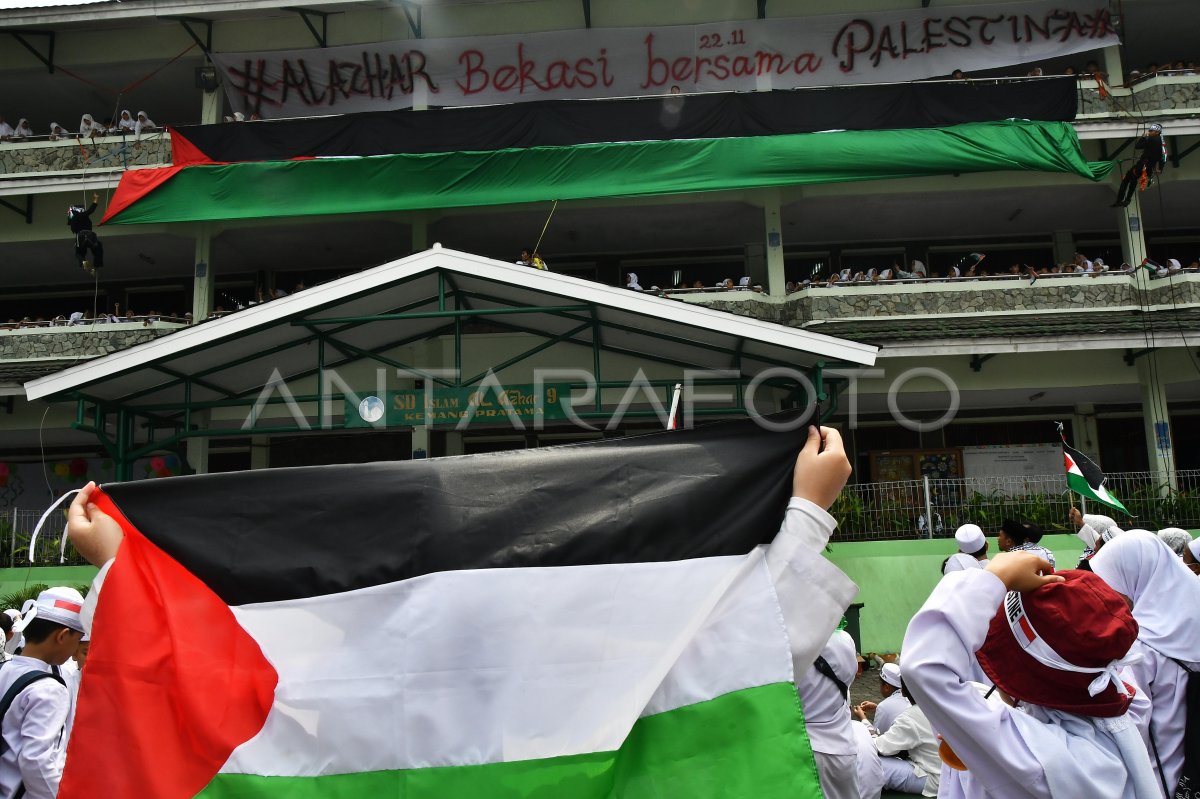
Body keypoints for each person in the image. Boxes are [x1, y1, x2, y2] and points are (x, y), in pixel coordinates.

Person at [903, 551, 1161, 799]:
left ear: (1026, 681)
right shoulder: (1119, 707)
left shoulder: (1045, 758)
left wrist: (995, 577)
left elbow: (924, 667)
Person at [1090, 530, 1200, 796]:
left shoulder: (1142, 646)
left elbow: (1131, 727)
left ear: (1135, 577)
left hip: (1163, 777)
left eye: (1111, 583)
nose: (1108, 595)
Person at [0, 587, 86, 799]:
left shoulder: (4, 669)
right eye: (78, 641)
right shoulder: (49, 689)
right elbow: (37, 762)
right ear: (63, 636)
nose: (75, 651)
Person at [797, 629, 860, 799]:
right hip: (843, 747)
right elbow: (849, 682)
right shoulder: (845, 639)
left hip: (804, 747)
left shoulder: (789, 645)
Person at [861, 681, 940, 796]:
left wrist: (863, 724)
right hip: (952, 773)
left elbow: (881, 747)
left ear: (902, 691)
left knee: (871, 763)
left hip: (933, 779)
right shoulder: (938, 705)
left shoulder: (911, 716)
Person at [1113, 124, 1167, 207]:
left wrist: (1143, 137)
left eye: (1151, 131)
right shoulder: (1162, 142)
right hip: (1149, 169)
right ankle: (1127, 200)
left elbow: (1138, 146)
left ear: (1157, 132)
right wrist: (1160, 169)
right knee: (1133, 179)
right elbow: (1163, 157)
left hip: (1142, 166)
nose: (1149, 132)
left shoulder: (1151, 139)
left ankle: (1120, 200)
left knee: (1126, 179)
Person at [856, 662, 909, 735]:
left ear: (886, 687)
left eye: (880, 684)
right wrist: (877, 708)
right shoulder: (910, 698)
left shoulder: (884, 707)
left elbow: (876, 737)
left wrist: (862, 717)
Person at [68, 193, 104, 273]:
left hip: (80, 237)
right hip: (90, 235)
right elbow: (92, 209)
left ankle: (83, 261)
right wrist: (96, 198)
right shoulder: (83, 214)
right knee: (97, 249)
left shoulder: (73, 220)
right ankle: (96, 266)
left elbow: (74, 230)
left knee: (79, 253)